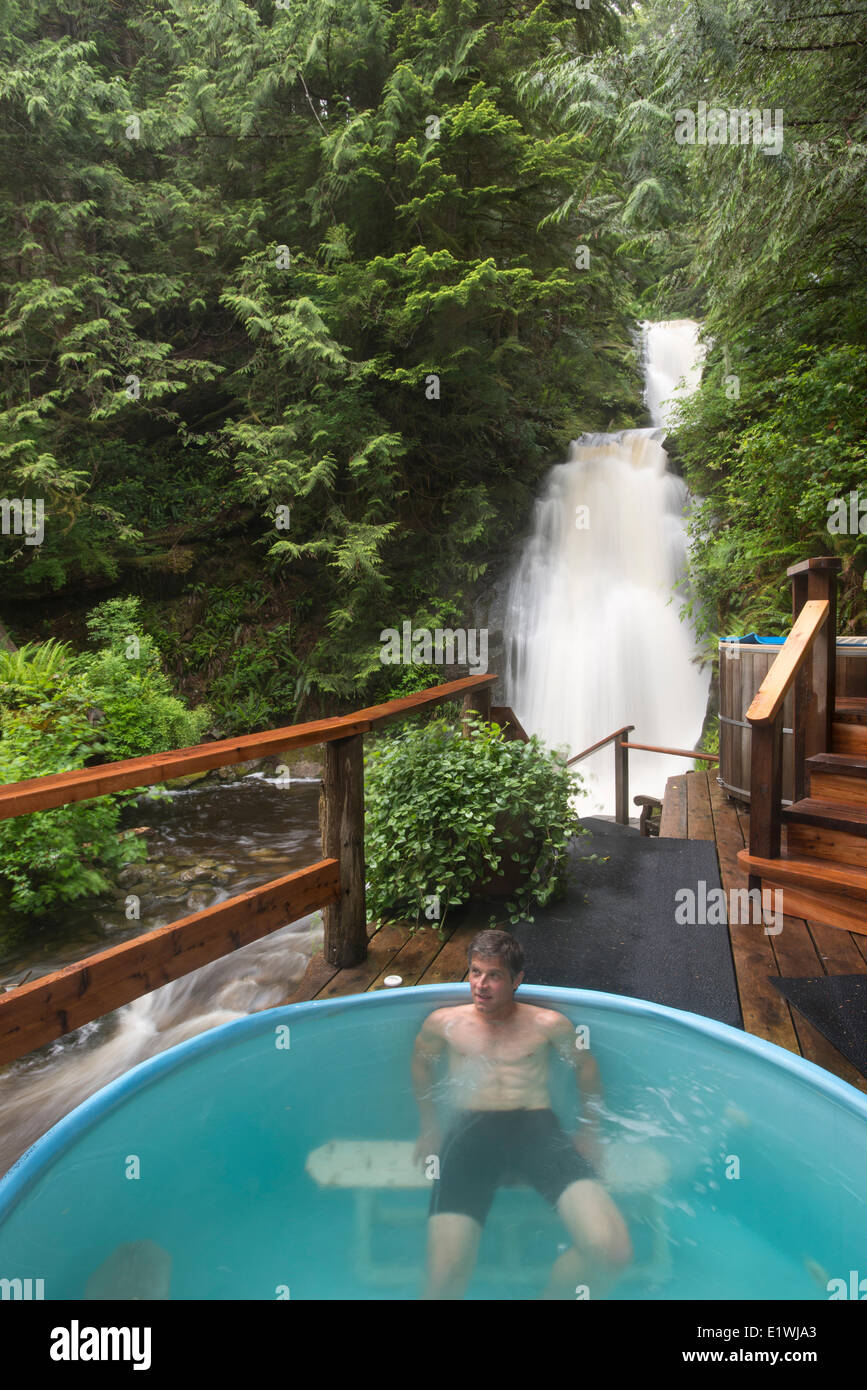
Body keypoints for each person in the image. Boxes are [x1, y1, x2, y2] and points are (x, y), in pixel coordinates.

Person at [411, 929, 632, 1299]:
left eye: (494, 975)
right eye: (475, 972)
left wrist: (588, 1130)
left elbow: (586, 1067)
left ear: (517, 980)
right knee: (444, 1279)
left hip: (536, 1131)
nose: (481, 985)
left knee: (612, 1251)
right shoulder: (445, 1022)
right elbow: (421, 1063)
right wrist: (430, 1126)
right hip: (470, 1135)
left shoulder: (548, 1025)